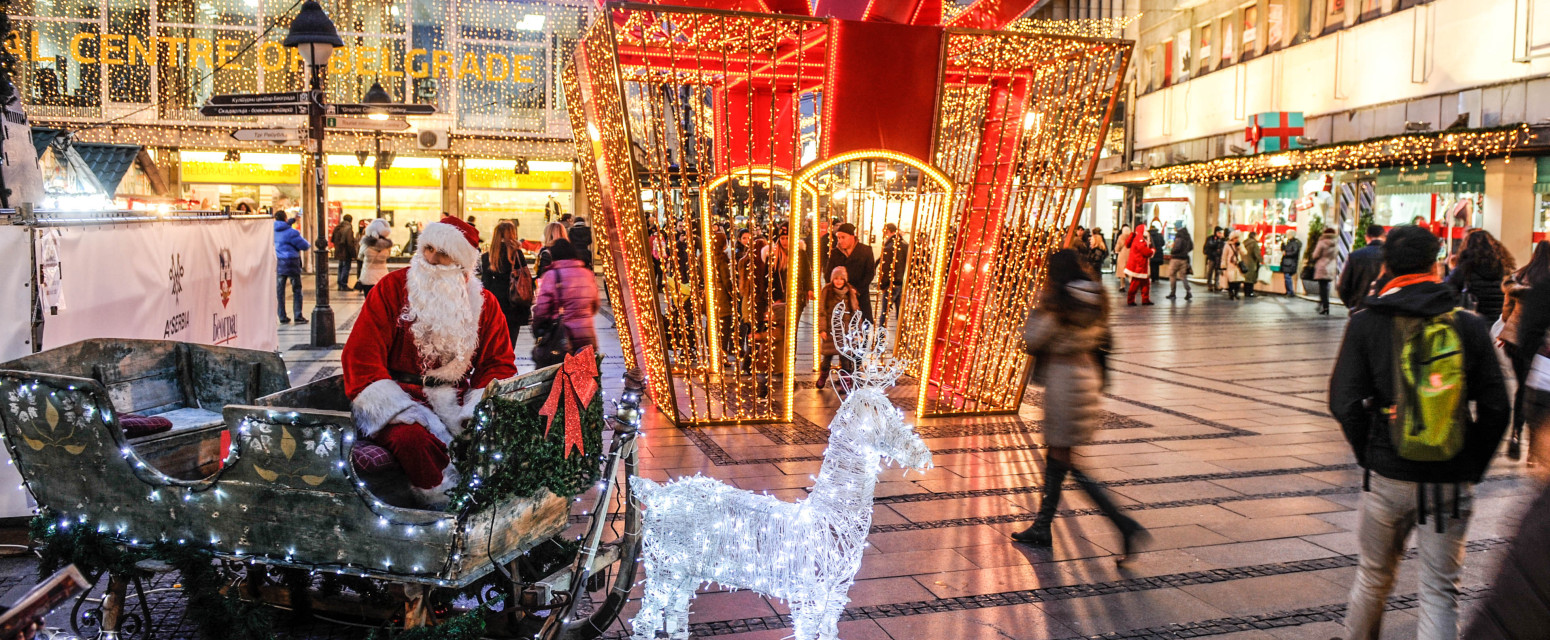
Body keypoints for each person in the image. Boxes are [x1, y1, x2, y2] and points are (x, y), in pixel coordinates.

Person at [1328, 225, 1509, 640]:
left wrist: (1370, 452)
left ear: (1387, 264)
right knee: (1440, 590)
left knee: (1374, 577)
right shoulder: (1468, 324)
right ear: (1436, 263)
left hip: (1388, 474)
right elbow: (1497, 406)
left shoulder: (1366, 322)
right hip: (1450, 477)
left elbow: (1343, 402)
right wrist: (1470, 464)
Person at [342, 216, 518, 507]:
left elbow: (498, 363)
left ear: (462, 263)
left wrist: (476, 407)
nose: (431, 259)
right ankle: (442, 507)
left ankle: (486, 505)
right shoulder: (391, 288)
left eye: (444, 253)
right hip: (397, 402)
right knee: (413, 441)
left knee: (496, 437)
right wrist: (396, 407)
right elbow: (361, 355)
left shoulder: (484, 303)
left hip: (455, 399)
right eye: (428, 248)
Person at [1014, 249, 1147, 558]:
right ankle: (1042, 526)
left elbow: (1032, 339)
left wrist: (1039, 306)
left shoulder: (1058, 302)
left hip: (1064, 382)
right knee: (1059, 457)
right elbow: (1106, 339)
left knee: (1066, 459)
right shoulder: (1096, 297)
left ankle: (1123, 524)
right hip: (1086, 376)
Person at [1499, 241, 1550, 465]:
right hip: (1542, 347)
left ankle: (1516, 434)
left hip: (1515, 342)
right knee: (1538, 392)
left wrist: (1505, 332)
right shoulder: (1546, 283)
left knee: (1522, 388)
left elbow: (1506, 311)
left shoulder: (1519, 277)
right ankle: (1533, 450)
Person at [532, 239, 600, 354]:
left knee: (560, 371)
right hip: (586, 336)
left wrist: (537, 327)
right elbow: (595, 305)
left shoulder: (551, 275)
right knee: (584, 370)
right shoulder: (587, 274)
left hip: (561, 338)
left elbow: (542, 309)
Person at [480, 221, 533, 347]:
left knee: (495, 338)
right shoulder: (517, 254)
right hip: (515, 301)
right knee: (511, 338)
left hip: (496, 301)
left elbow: (485, 283)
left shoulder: (488, 256)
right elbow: (525, 275)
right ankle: (509, 361)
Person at [1446, 229, 1513, 322]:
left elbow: (1447, 292)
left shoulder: (1465, 269)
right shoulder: (1505, 268)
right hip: (1498, 323)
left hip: (1473, 323)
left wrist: (1449, 269)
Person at [817, 265, 861, 389]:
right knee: (827, 358)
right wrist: (822, 329)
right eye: (836, 278)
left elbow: (855, 311)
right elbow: (822, 312)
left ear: (845, 280)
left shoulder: (849, 292)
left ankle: (845, 382)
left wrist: (857, 330)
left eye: (841, 279)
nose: (839, 281)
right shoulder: (827, 291)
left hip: (845, 331)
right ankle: (823, 375)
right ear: (832, 279)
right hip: (831, 330)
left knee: (845, 359)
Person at [826, 222, 877, 322]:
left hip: (860, 296)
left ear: (852, 237)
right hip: (840, 297)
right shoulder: (835, 253)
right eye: (838, 238)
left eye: (843, 237)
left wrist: (857, 290)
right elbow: (828, 274)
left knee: (863, 326)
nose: (840, 241)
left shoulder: (865, 251)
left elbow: (870, 273)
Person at [1339, 225, 1388, 314]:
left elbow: (1343, 286)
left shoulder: (1355, 256)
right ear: (1384, 237)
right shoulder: (1390, 256)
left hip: (1359, 307)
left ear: (1367, 237)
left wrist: (1352, 304)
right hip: (1384, 309)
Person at [273, 211, 311, 325]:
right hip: (291, 263)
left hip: (279, 262)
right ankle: (298, 315)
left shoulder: (272, 230)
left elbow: (283, 226)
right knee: (297, 289)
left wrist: (293, 220)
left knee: (280, 291)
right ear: (285, 218)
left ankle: (282, 316)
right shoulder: (292, 232)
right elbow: (305, 245)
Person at [877, 222, 909, 327]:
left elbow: (885, 269)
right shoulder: (905, 245)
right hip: (902, 283)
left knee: (884, 313)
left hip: (891, 284)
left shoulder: (889, 247)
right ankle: (902, 334)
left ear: (889, 232)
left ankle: (880, 338)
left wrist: (882, 285)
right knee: (900, 313)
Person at [357, 218, 394, 296]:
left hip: (367, 277)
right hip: (382, 276)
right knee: (380, 300)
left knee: (368, 300)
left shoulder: (366, 244)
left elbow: (360, 257)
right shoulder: (387, 246)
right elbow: (388, 256)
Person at [1309, 228, 1338, 315]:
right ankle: (1324, 304)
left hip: (1322, 266)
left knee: (1322, 288)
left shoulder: (1322, 242)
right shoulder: (1335, 243)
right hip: (1331, 266)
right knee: (1326, 287)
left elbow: (1315, 255)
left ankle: (1325, 306)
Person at [1123, 229, 1154, 306]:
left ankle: (1145, 299)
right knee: (1135, 284)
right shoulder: (1139, 240)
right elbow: (1144, 250)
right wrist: (1152, 251)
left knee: (1145, 283)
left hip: (1141, 265)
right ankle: (1131, 300)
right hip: (1139, 266)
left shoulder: (1140, 238)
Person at [1166, 221, 1193, 301]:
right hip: (1184, 259)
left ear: (1177, 227)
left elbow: (1177, 247)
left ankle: (1172, 293)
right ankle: (1188, 291)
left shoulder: (1179, 235)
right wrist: (1185, 252)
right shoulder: (1187, 235)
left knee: (1172, 275)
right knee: (1183, 276)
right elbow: (1191, 246)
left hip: (1176, 259)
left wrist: (1172, 250)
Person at [331, 214, 357, 291]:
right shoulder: (348, 229)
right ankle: (343, 284)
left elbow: (332, 239)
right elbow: (349, 243)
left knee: (340, 267)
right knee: (346, 267)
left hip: (339, 251)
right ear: (351, 220)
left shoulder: (337, 227)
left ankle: (340, 284)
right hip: (346, 252)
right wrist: (353, 254)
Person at [1221, 230, 1246, 300]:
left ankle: (1236, 293)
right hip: (1230, 265)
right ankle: (1231, 292)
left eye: (1238, 238)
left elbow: (1244, 253)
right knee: (1231, 280)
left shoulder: (1240, 245)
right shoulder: (1227, 245)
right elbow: (1224, 255)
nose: (1237, 239)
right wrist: (1223, 265)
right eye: (1235, 238)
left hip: (1238, 265)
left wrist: (1240, 246)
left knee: (1238, 280)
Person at [1280, 232, 1303, 297]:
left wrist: (1286, 254)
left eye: (1288, 234)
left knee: (1287, 277)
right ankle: (1289, 291)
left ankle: (1290, 292)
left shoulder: (1295, 243)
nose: (1287, 236)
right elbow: (1283, 249)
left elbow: (1295, 252)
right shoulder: (1289, 242)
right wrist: (1283, 243)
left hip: (1290, 263)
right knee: (1287, 277)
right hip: (1287, 262)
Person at [1241, 231, 1262, 297]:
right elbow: (1257, 254)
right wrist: (1261, 260)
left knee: (1246, 279)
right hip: (1251, 263)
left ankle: (1246, 292)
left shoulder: (1244, 243)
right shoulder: (1254, 243)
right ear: (1254, 236)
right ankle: (1250, 292)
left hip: (1244, 262)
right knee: (1251, 279)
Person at [1204, 227, 1224, 292]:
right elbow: (1208, 247)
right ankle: (1209, 285)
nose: (1221, 234)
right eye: (1219, 233)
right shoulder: (1211, 239)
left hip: (1219, 258)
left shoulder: (1222, 240)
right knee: (1210, 271)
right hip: (1212, 258)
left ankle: (1216, 285)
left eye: (1221, 233)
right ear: (1216, 232)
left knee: (1217, 272)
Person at [1115, 225, 1133, 290]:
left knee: (1122, 271)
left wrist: (1116, 250)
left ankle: (1122, 286)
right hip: (1130, 254)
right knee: (1130, 270)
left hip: (1122, 254)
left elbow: (1118, 245)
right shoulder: (1132, 237)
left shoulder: (1121, 236)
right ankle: (1131, 283)